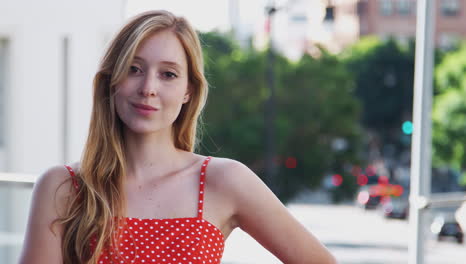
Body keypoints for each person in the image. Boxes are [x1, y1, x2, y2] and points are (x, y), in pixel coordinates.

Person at [19, 10, 336, 264]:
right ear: (111, 81)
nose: (149, 88)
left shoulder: (223, 180)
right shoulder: (63, 186)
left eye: (168, 74)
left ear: (188, 91)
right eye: (134, 69)